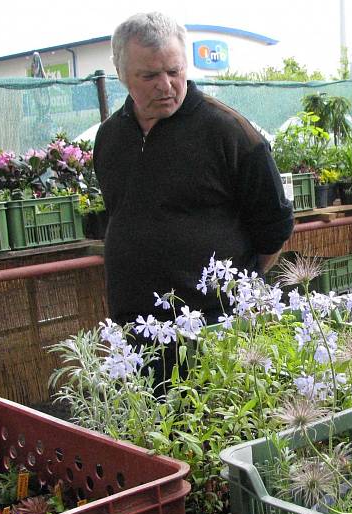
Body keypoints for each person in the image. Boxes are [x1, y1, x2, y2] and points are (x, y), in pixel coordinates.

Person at [94, 12, 293, 329]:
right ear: (121, 73)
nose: (166, 85)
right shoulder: (110, 138)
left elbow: (274, 227)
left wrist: (236, 291)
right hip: (136, 327)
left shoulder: (229, 132)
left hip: (216, 328)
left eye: (174, 71)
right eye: (149, 76)